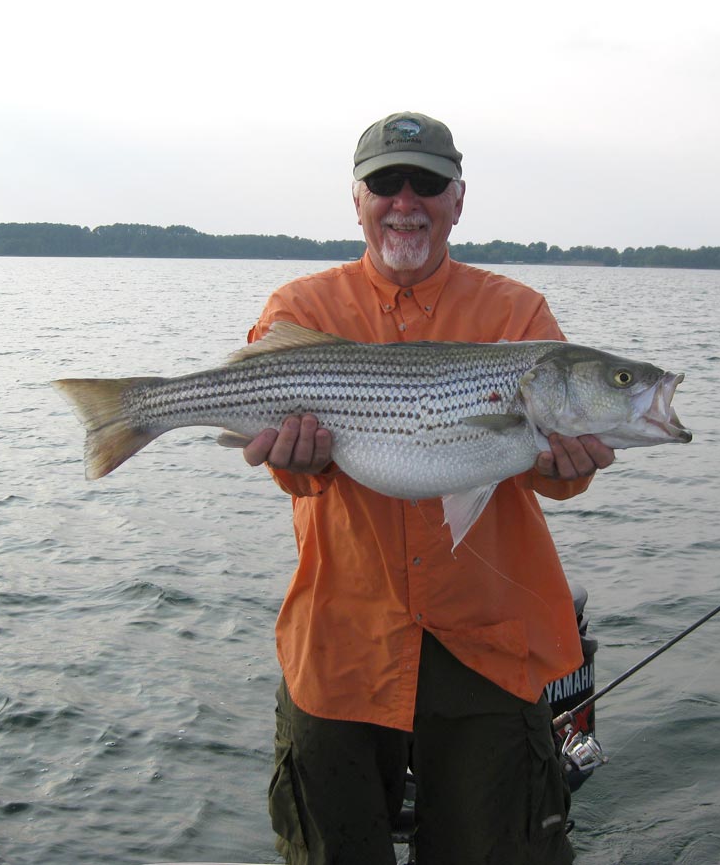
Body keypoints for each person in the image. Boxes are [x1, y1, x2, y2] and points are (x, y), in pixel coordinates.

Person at [243, 111, 615, 865]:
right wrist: (294, 459)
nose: (406, 201)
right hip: (343, 639)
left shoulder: (517, 315)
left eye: (428, 184)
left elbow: (554, 480)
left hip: (490, 640)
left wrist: (563, 466)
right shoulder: (302, 309)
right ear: (357, 201)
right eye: (386, 183)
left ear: (458, 199)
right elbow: (286, 468)